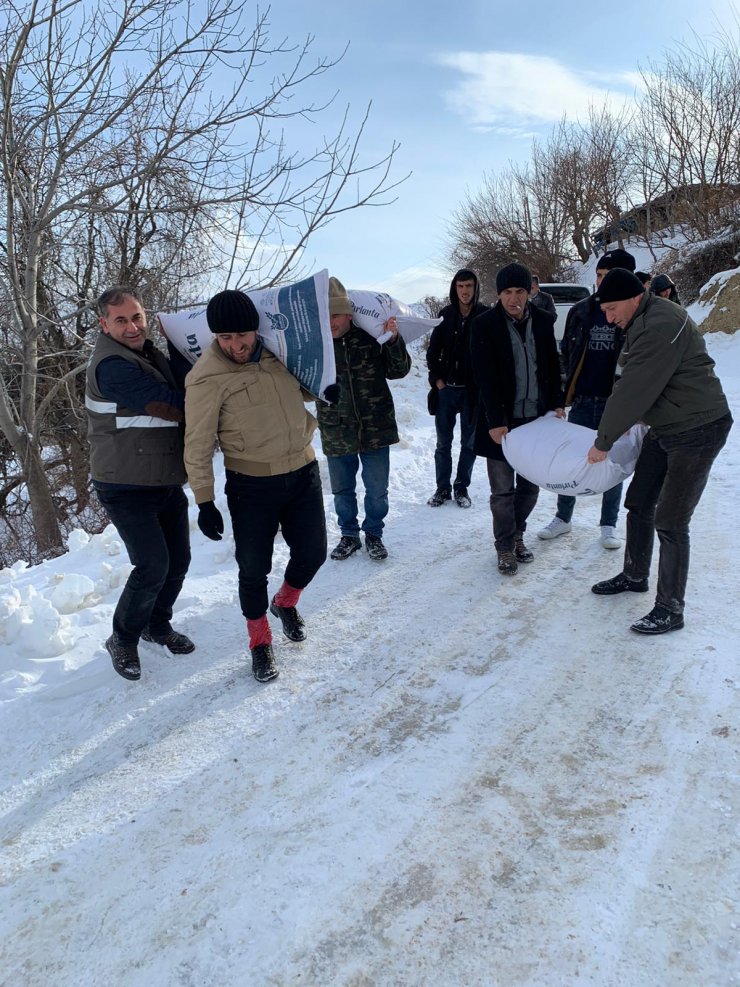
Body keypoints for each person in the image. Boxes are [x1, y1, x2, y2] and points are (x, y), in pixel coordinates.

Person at [184, 289, 327, 682]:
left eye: (242, 335)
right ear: (215, 337)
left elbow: (306, 389)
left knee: (313, 553)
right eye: (226, 338)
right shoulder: (205, 378)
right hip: (252, 484)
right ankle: (259, 642)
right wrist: (205, 499)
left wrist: (326, 383)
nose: (236, 345)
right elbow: (196, 443)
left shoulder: (278, 353)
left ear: (255, 330)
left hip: (302, 470)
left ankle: (285, 603)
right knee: (253, 569)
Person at [587, 268, 732, 634]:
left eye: (612, 308)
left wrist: (602, 442)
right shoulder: (642, 318)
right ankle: (635, 575)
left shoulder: (658, 324)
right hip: (666, 425)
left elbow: (634, 388)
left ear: (635, 298)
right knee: (639, 502)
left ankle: (671, 608)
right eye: (604, 310)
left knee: (670, 519)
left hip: (698, 427)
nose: (609, 316)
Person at [86, 286, 193, 681]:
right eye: (121, 320)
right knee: (152, 565)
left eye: (137, 317)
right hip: (125, 483)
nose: (132, 327)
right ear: (104, 324)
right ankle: (123, 638)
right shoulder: (112, 365)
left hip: (161, 477)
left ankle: (156, 624)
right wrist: (215, 400)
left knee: (178, 561)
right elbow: (165, 403)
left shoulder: (146, 352)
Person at [538, 247, 636, 550]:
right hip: (583, 399)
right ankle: (563, 518)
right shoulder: (581, 310)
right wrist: (566, 391)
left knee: (613, 464)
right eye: (598, 275)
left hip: (615, 402)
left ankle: (608, 525)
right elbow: (566, 352)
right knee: (572, 461)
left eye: (608, 276)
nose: (600, 282)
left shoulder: (634, 315)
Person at [470, 262, 565, 576]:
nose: (514, 298)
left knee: (530, 488)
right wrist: (495, 420)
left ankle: (518, 534)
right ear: (499, 294)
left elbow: (552, 366)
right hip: (502, 423)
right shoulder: (484, 325)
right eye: (508, 292)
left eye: (520, 291)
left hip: (535, 421)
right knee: (502, 491)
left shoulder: (543, 320)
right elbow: (484, 377)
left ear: (530, 292)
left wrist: (557, 405)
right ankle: (505, 547)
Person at [318, 277, 411, 562]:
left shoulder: (371, 337)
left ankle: (374, 534)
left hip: (375, 427)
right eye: (326, 315)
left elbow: (399, 371)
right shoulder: (317, 346)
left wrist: (393, 340)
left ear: (348, 314)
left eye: (335, 315)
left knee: (377, 489)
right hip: (337, 429)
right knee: (342, 490)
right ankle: (349, 535)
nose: (331, 322)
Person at [426, 268, 488, 508]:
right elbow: (432, 353)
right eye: (460, 287)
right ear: (455, 288)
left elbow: (489, 356)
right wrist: (437, 381)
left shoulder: (484, 315)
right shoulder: (446, 314)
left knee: (469, 443)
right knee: (443, 443)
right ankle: (442, 489)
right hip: (447, 391)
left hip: (472, 392)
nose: (464, 291)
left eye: (469, 286)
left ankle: (461, 487)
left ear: (475, 288)